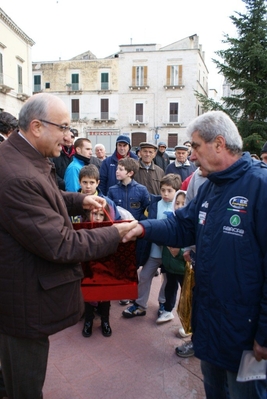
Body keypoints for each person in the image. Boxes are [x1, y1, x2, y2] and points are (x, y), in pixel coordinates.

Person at [0, 92, 137, 399]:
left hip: (19, 291)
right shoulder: (18, 174)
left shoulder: (21, 157)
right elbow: (62, 245)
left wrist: (79, 199)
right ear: (37, 127)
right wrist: (115, 233)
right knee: (24, 387)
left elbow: (44, 199)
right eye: (62, 127)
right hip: (22, 303)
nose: (68, 136)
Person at [122, 110, 267, 399]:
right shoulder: (210, 186)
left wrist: (264, 333)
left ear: (219, 144)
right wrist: (141, 228)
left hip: (246, 332)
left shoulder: (260, 186)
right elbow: (182, 224)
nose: (192, 154)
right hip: (211, 322)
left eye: (196, 146)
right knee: (214, 389)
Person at [122, 173, 182, 319]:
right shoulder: (154, 205)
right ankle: (140, 304)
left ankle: (163, 303)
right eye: (163, 190)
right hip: (154, 251)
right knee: (144, 276)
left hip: (170, 253)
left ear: (176, 191)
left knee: (168, 281)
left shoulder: (180, 207)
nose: (165, 194)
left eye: (169, 191)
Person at [107, 157, 151, 306]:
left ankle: (134, 292)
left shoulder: (142, 190)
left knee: (135, 263)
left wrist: (142, 227)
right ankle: (125, 292)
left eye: (120, 169)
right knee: (122, 263)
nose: (116, 171)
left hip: (136, 234)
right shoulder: (112, 190)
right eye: (117, 168)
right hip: (120, 233)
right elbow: (110, 211)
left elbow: (148, 209)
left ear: (130, 172)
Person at [81, 204, 114, 338]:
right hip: (88, 270)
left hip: (104, 270)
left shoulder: (109, 229)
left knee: (105, 296)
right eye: (95, 214)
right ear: (89, 214)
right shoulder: (84, 229)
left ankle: (105, 321)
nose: (98, 218)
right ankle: (88, 321)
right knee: (88, 295)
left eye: (101, 215)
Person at [156, 190, 187, 325]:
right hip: (170, 266)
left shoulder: (189, 224)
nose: (179, 207)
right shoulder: (170, 220)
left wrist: (179, 253)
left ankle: (188, 321)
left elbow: (191, 246)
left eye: (183, 204)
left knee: (187, 294)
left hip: (183, 267)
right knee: (170, 288)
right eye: (177, 203)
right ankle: (167, 310)